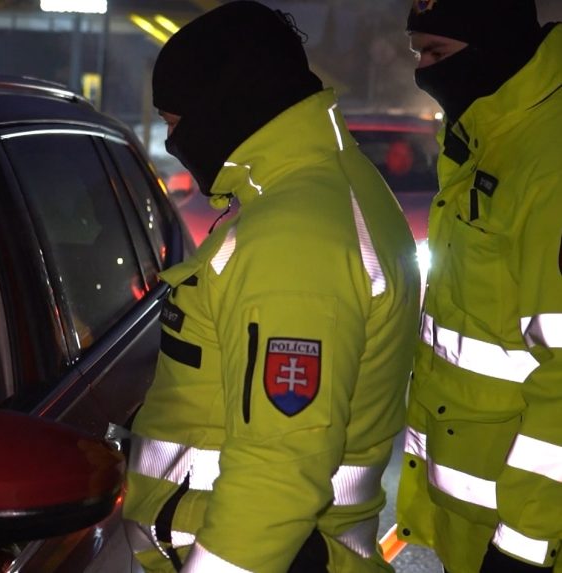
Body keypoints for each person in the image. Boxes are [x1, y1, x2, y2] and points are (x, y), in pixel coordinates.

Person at [120, 2, 421, 571]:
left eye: (174, 120)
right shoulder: (311, 189)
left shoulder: (296, 234)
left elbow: (278, 472)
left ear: (225, 106)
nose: (170, 140)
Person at [395, 1, 562, 572]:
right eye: (419, 53)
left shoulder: (547, 161)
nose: (426, 71)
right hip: (474, 525)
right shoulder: (485, 137)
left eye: (437, 53)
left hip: (527, 537)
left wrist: (524, 543)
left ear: (494, 43)